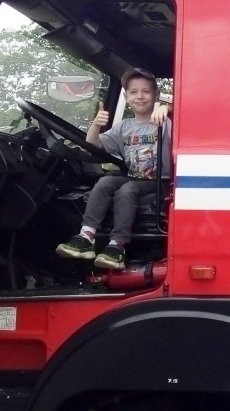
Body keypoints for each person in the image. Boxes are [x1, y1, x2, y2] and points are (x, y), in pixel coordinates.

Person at [56, 68, 171, 270]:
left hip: (159, 181)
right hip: (134, 177)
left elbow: (190, 110)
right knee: (105, 181)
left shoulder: (165, 122)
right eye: (134, 92)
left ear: (156, 95)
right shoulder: (124, 127)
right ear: (126, 97)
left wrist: (166, 108)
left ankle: (117, 245)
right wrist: (95, 125)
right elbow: (94, 145)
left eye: (146, 91)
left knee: (127, 189)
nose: (140, 96)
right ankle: (87, 236)